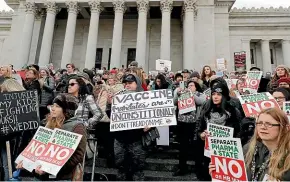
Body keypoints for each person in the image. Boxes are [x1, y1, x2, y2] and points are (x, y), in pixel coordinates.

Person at [16, 94, 87, 181]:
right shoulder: (47, 123)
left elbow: (78, 155)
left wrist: (50, 168)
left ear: (66, 110)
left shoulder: (77, 126)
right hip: (40, 177)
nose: (52, 109)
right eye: (52, 105)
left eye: (57, 106)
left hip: (62, 178)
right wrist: (26, 163)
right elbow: (36, 149)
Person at [209, 108, 290, 181]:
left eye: (269, 124)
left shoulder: (287, 156)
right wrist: (220, 174)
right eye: (259, 123)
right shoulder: (248, 148)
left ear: (284, 127)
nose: (263, 127)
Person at [195, 81, 242, 180]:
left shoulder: (233, 112)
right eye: (213, 94)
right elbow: (198, 130)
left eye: (219, 94)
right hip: (207, 154)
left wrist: (230, 139)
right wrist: (201, 135)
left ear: (224, 96)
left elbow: (239, 133)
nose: (215, 97)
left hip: (225, 155)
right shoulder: (206, 110)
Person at [107, 74, 150, 180]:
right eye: (125, 83)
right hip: (120, 139)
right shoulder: (118, 97)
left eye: (130, 83)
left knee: (137, 168)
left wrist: (150, 126)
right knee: (121, 168)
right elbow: (111, 117)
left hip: (137, 139)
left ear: (137, 84)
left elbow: (153, 116)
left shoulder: (146, 98)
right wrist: (109, 105)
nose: (127, 85)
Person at [173, 80, 206, 176]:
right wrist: (177, 94)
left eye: (192, 85)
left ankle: (198, 168)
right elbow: (174, 102)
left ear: (196, 87)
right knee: (183, 147)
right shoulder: (182, 93)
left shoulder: (200, 94)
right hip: (183, 123)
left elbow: (201, 102)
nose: (189, 87)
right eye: (188, 85)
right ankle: (182, 168)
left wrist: (191, 94)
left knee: (196, 147)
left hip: (195, 124)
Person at [0, 79, 25, 181]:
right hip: (8, 138)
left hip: (11, 140)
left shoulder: (18, 105)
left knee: (8, 166)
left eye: (3, 91)